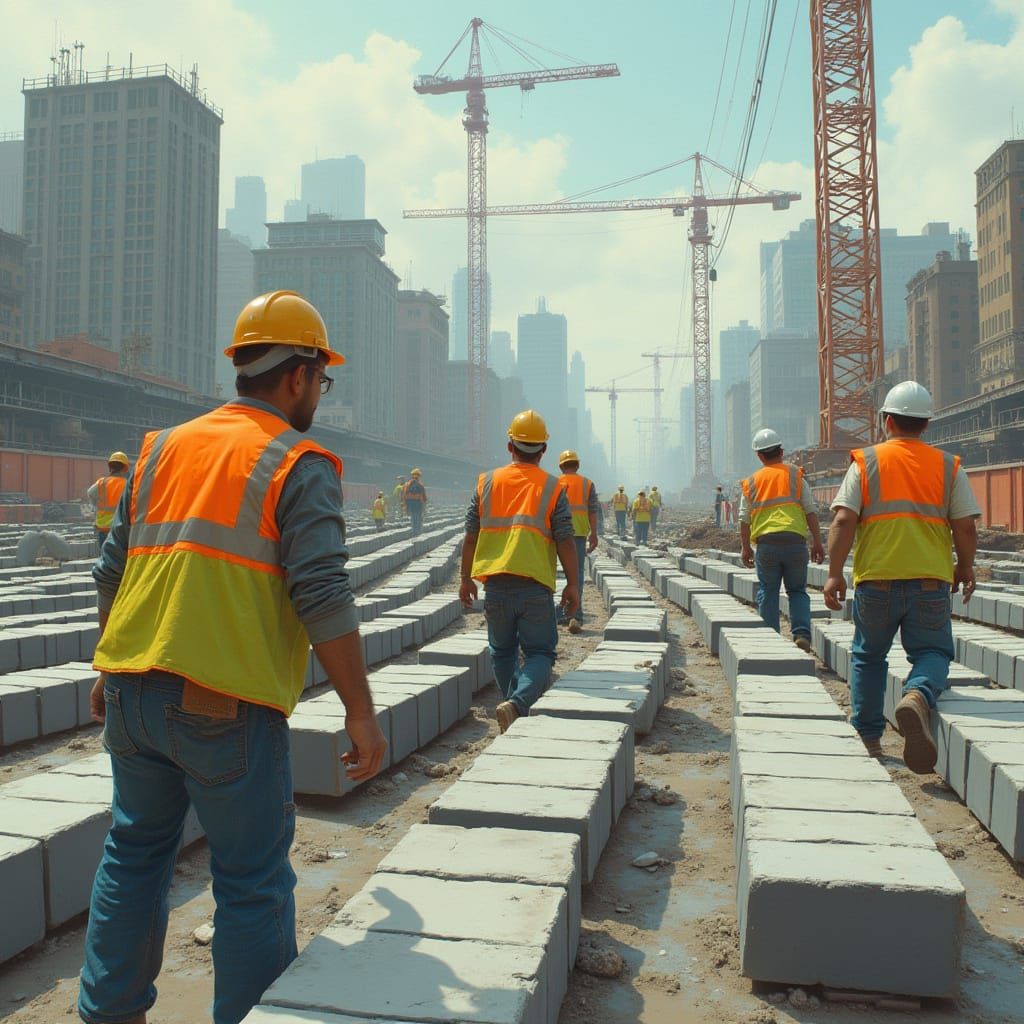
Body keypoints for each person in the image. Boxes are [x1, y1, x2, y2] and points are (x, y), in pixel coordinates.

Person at [79, 290, 388, 1024]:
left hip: (131, 691)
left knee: (133, 854)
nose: (320, 393)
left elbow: (110, 571)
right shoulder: (298, 459)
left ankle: (107, 1015)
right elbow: (321, 590)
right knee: (250, 883)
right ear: (298, 375)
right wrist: (361, 712)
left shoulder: (159, 449)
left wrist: (106, 664)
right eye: (323, 380)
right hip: (222, 705)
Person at [823, 381, 979, 771]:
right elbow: (966, 527)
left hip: (876, 581)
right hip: (929, 582)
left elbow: (843, 518)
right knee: (933, 652)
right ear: (926, 424)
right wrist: (965, 565)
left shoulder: (866, 462)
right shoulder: (948, 466)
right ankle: (918, 695)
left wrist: (834, 573)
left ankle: (869, 737)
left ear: (886, 420)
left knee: (868, 655)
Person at [458, 410, 579, 733]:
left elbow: (470, 534)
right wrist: (574, 585)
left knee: (502, 652)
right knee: (540, 653)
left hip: (495, 585)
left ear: (510, 445)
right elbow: (565, 539)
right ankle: (517, 704)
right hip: (535, 585)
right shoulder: (553, 487)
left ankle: (511, 704)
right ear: (543, 451)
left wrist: (464, 578)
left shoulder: (486, 482)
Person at [739, 428, 824, 653]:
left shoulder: (752, 483)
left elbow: (744, 519)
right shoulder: (796, 476)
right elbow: (811, 511)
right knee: (797, 590)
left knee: (768, 591)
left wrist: (745, 547)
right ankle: (802, 633)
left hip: (767, 544)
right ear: (782, 451)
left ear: (759, 456)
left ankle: (771, 638)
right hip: (795, 542)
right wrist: (817, 542)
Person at [557, 449, 600, 635]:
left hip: (557, 533)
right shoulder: (587, 484)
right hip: (579, 532)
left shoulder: (555, 483)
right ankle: (576, 614)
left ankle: (559, 613)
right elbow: (593, 511)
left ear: (561, 466)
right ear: (577, 465)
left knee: (551, 572)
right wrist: (594, 534)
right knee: (577, 573)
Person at [88, 451, 131, 551]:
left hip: (102, 529)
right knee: (119, 562)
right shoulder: (127, 485)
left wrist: (96, 508)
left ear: (110, 467)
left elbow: (90, 493)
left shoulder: (102, 482)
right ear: (125, 468)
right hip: (119, 530)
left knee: (104, 560)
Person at [404, 468, 427, 535]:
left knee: (413, 517)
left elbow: (404, 495)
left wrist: (406, 505)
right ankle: (418, 531)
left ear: (412, 475)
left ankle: (414, 530)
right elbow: (424, 496)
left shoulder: (407, 484)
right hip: (418, 503)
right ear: (419, 476)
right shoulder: (420, 484)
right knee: (418, 517)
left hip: (410, 503)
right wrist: (424, 506)